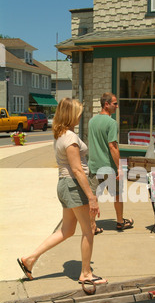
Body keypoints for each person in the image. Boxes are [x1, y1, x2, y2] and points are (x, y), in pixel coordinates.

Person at [17, 97, 107, 289]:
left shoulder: (60, 134)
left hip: (65, 184)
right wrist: (91, 197)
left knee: (66, 230)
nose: (80, 116)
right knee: (88, 230)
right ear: (70, 114)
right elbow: (77, 170)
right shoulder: (70, 138)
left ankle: (30, 259)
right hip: (74, 185)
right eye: (78, 113)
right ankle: (86, 273)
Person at [88, 92, 134, 231]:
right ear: (106, 104)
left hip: (94, 166)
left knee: (93, 196)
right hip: (108, 167)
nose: (117, 106)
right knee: (118, 195)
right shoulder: (112, 123)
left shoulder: (91, 121)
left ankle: (92, 226)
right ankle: (120, 221)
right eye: (114, 103)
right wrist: (120, 167)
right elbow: (112, 146)